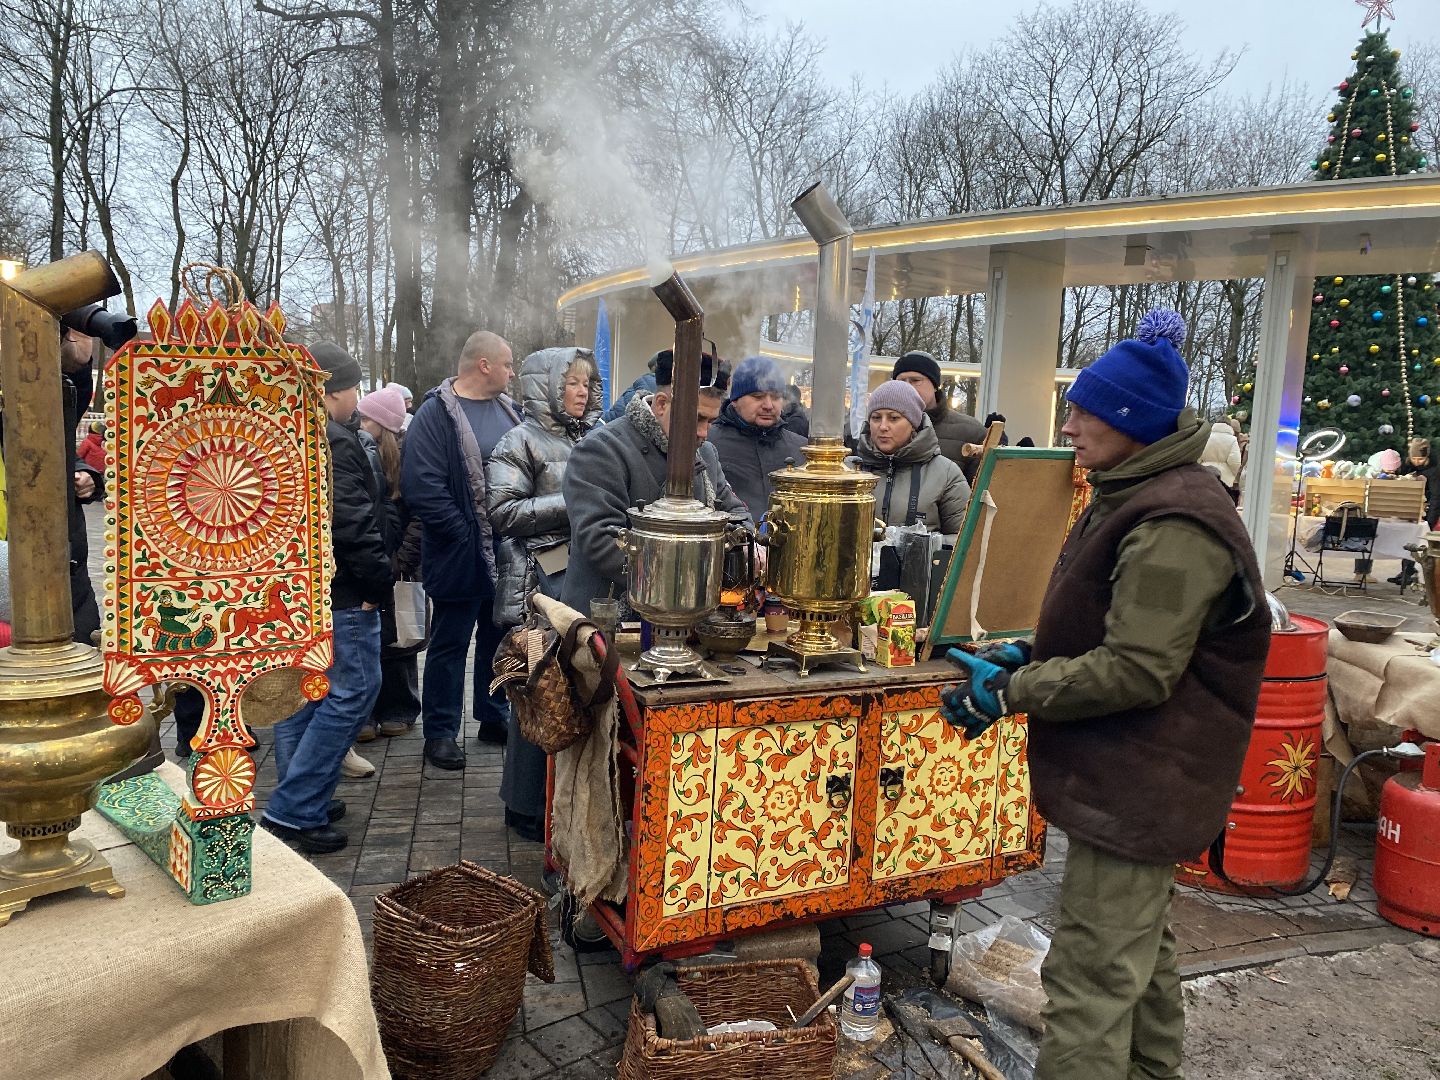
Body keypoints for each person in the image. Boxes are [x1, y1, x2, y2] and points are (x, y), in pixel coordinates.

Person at [938, 310, 1269, 1080]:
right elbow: (1110, 622)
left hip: (1144, 786)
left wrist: (1013, 691)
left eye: (1088, 409)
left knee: (1088, 983)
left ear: (1135, 422)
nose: (1071, 421)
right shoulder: (1133, 491)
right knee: (1140, 967)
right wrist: (1028, 649)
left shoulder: (1176, 522)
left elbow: (1137, 669)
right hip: (1133, 783)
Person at [260, 342, 393, 854]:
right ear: (333, 389)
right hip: (346, 591)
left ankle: (305, 793)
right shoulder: (333, 441)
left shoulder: (296, 435)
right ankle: (294, 808)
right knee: (354, 690)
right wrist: (377, 584)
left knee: (306, 693)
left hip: (309, 589)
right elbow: (352, 524)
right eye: (354, 388)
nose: (357, 399)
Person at [486, 347, 603, 842]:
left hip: (580, 581)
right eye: (571, 382)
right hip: (537, 584)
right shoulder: (518, 440)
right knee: (537, 689)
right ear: (546, 387)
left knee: (573, 692)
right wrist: (575, 501)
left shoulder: (598, 439)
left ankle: (562, 803)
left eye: (587, 383)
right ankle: (525, 804)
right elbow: (503, 511)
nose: (580, 392)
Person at [401, 330, 520, 770]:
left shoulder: (511, 411)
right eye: (507, 364)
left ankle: (492, 714)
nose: (512, 371)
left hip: (506, 551)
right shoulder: (435, 415)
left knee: (496, 637)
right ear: (483, 364)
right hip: (458, 553)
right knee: (451, 644)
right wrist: (463, 532)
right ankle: (440, 732)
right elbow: (422, 486)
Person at [563, 351, 752, 614]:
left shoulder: (706, 452)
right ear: (661, 404)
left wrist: (748, 545)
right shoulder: (601, 450)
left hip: (686, 614)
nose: (703, 433)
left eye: (710, 421)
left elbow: (733, 510)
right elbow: (601, 541)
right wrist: (688, 578)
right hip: (609, 618)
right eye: (696, 418)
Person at [355, 385, 423, 743]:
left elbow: (419, 516)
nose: (360, 423)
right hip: (366, 559)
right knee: (363, 640)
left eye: (366, 418)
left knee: (400, 638)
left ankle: (401, 707)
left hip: (399, 563)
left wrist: (403, 559)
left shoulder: (407, 461)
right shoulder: (353, 453)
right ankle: (363, 712)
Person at [850, 380, 970, 539]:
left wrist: (919, 547)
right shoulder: (848, 469)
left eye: (894, 418)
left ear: (913, 423)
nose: (883, 426)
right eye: (876, 417)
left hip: (921, 564)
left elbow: (965, 540)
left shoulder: (946, 473)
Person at [707, 356, 808, 522]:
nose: (768, 405)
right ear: (735, 400)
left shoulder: (801, 448)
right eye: (757, 396)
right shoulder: (709, 443)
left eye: (775, 397)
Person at [892, 351, 986, 481]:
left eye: (916, 380)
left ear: (935, 385)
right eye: (901, 381)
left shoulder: (972, 432)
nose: (908, 387)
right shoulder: (882, 429)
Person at [1390, 437, 1439, 587]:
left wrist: (1429, 521)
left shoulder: (1436, 468)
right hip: (1412, 505)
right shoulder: (1408, 464)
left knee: (1422, 542)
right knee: (1409, 538)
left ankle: (1415, 574)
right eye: (1414, 458)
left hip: (1432, 505)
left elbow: (1437, 496)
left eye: (1420, 459)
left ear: (1427, 457)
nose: (1417, 462)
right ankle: (1406, 571)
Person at [1200, 418, 1243, 504]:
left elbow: (1198, 457)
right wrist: (1232, 475)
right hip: (1224, 479)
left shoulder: (1206, 437)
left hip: (1205, 475)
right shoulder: (1232, 440)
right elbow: (1235, 462)